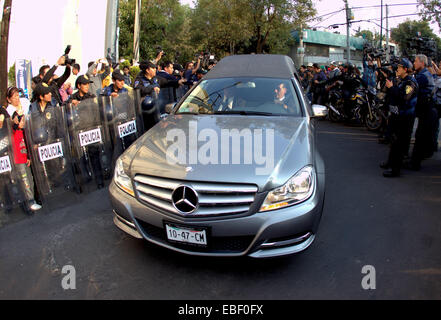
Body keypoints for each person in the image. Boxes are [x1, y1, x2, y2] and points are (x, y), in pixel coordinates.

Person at [380, 58, 418, 178]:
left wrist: (392, 88)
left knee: (399, 144)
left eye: (400, 67)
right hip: (397, 116)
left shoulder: (410, 83)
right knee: (393, 141)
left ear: (406, 69)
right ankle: (390, 163)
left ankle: (395, 169)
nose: (397, 69)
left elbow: (404, 97)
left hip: (405, 118)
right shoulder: (401, 80)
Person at [407, 54, 437, 170]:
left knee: (420, 137)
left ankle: (415, 163)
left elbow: (409, 89)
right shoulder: (424, 74)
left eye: (415, 61)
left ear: (422, 63)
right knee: (422, 136)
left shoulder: (422, 77)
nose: (414, 63)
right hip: (427, 110)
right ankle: (416, 160)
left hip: (426, 111)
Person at [11, 111, 41, 211]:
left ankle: (32, 200)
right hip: (18, 161)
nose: (23, 122)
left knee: (30, 180)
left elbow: (26, 145)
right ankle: (29, 202)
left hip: (25, 159)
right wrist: (15, 121)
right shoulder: (14, 131)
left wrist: (28, 157)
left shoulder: (24, 132)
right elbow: (13, 126)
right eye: (21, 121)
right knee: (25, 182)